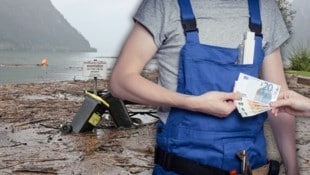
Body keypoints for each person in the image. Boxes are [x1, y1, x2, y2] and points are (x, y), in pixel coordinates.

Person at [110, 0, 298, 174]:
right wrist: (192, 103)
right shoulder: (165, 4)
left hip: (252, 164)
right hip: (181, 166)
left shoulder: (266, 9)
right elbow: (121, 81)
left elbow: (280, 102)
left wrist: (293, 169)